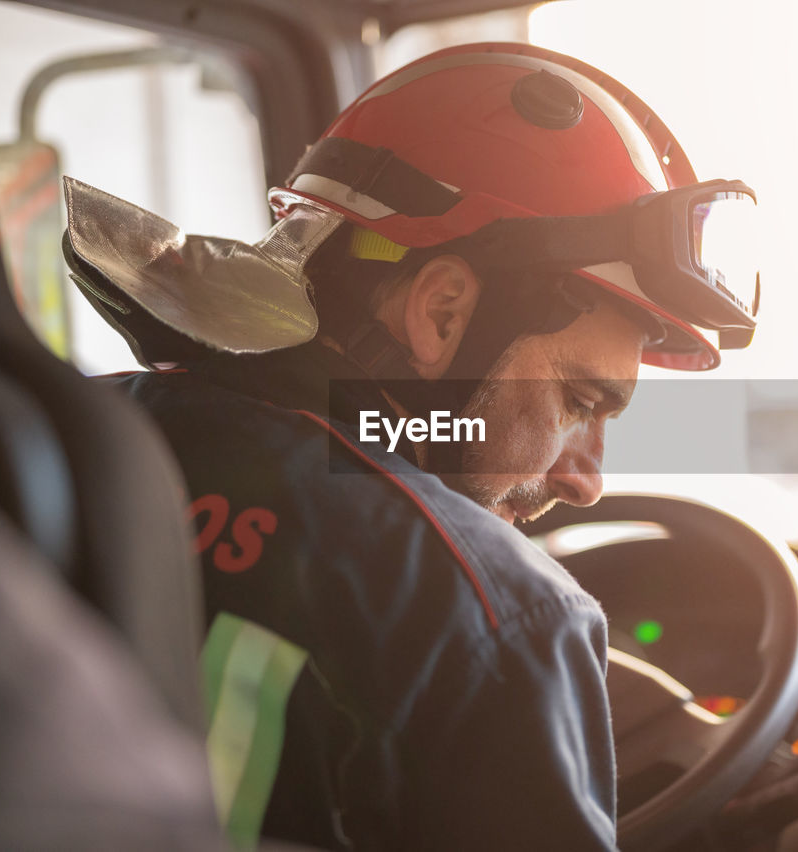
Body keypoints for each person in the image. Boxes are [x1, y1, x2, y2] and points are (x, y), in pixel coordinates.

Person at [65, 42, 759, 850]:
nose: (586, 479)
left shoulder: (66, 435)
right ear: (441, 313)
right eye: (578, 400)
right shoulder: (494, 612)